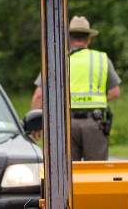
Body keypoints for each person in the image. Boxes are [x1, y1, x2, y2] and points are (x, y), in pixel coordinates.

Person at [31, 16, 121, 160]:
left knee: (66, 174)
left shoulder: (56, 61)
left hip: (65, 124)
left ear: (68, 38)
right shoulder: (101, 59)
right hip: (95, 123)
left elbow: (39, 95)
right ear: (88, 39)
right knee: (96, 173)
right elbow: (115, 92)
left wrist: (34, 124)